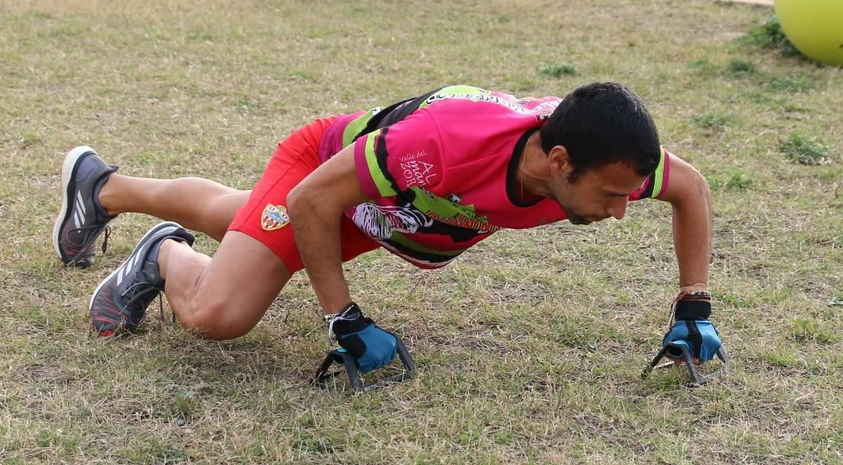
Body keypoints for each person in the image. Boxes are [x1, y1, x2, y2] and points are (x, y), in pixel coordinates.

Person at [54, 82, 721, 381]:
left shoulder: (607, 155)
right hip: (323, 175)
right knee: (220, 313)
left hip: (390, 209)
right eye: (611, 197)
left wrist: (694, 304)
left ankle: (101, 187)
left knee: (244, 218)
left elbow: (690, 190)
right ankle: (163, 253)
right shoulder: (446, 143)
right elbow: (312, 199)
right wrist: (343, 318)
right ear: (559, 161)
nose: (620, 211)